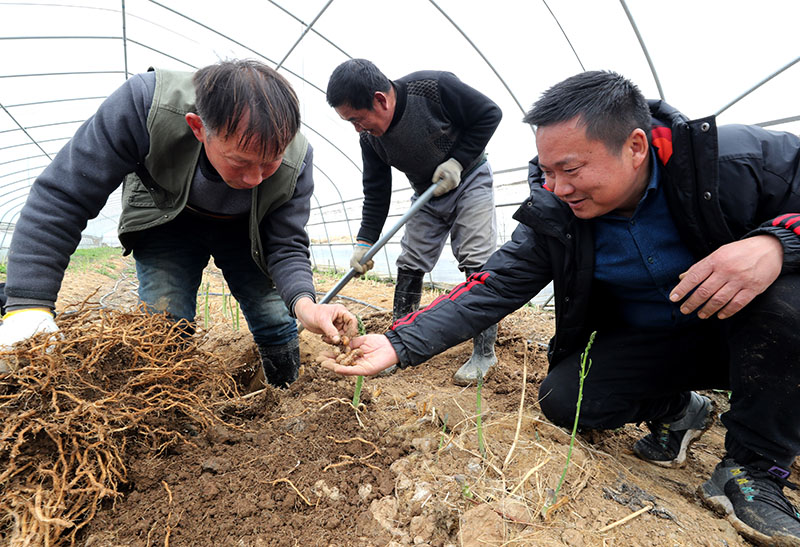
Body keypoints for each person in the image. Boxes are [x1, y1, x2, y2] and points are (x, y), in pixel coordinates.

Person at [322, 71, 800, 544]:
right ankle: (681, 411)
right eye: (547, 172)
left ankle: (752, 470)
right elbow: (493, 284)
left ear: (635, 148)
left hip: (756, 341)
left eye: (570, 170)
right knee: (565, 399)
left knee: (785, 298)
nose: (556, 188)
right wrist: (396, 341)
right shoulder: (557, 214)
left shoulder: (728, 162)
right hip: (657, 344)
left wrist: (776, 243)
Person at [0, 59, 356, 387]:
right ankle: (170, 415)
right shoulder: (145, 106)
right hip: (165, 218)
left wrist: (307, 305)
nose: (255, 179)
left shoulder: (298, 158)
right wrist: (28, 305)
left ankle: (285, 393)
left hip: (244, 228)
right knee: (164, 323)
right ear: (199, 128)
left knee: (274, 318)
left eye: (270, 162)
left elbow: (285, 243)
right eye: (240, 161)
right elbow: (64, 195)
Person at [325, 58, 503, 385]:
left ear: (380, 99)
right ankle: (398, 342)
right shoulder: (371, 141)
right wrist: (364, 243)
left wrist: (458, 161)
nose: (357, 129)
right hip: (427, 193)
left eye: (357, 119)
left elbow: (489, 114)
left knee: (477, 260)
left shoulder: (434, 89)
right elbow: (376, 192)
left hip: (470, 179)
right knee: (410, 260)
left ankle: (484, 352)